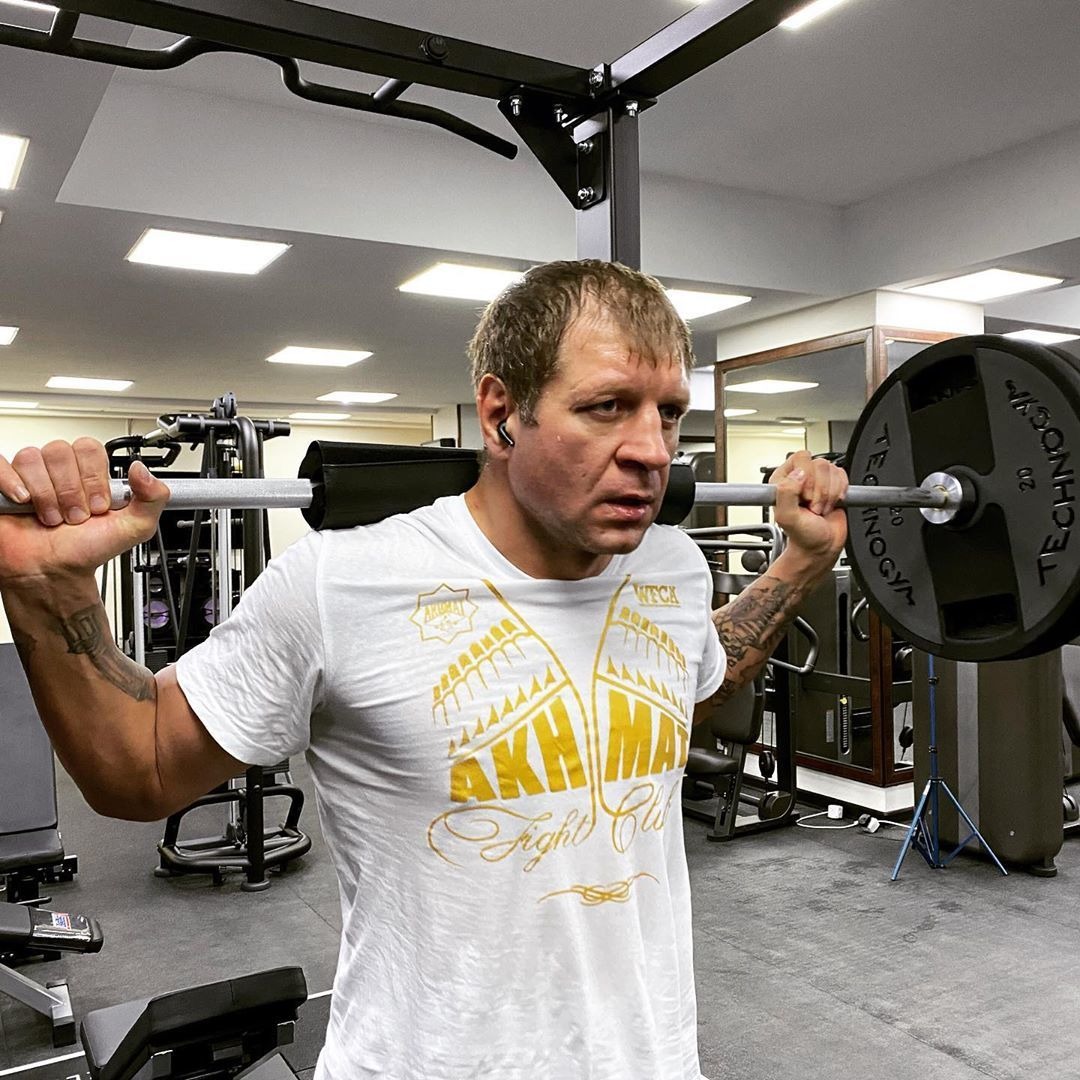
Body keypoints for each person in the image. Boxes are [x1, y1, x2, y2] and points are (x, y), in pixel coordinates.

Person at [0, 260, 847, 1080]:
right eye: (607, 407)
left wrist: (801, 563)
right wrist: (46, 591)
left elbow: (694, 683)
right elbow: (143, 767)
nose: (653, 451)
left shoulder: (673, 566)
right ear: (501, 413)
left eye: (667, 413)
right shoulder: (342, 580)